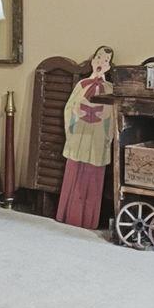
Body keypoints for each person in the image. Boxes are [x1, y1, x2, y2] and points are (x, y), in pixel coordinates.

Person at [55, 45, 116, 229]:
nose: (101, 62)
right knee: (74, 171)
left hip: (97, 136)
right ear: (92, 61)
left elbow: (112, 114)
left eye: (106, 60)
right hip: (80, 134)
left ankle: (89, 220)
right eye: (98, 58)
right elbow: (69, 108)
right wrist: (78, 114)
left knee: (94, 177)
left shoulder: (110, 89)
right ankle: (67, 214)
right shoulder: (81, 85)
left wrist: (104, 126)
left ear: (109, 66)